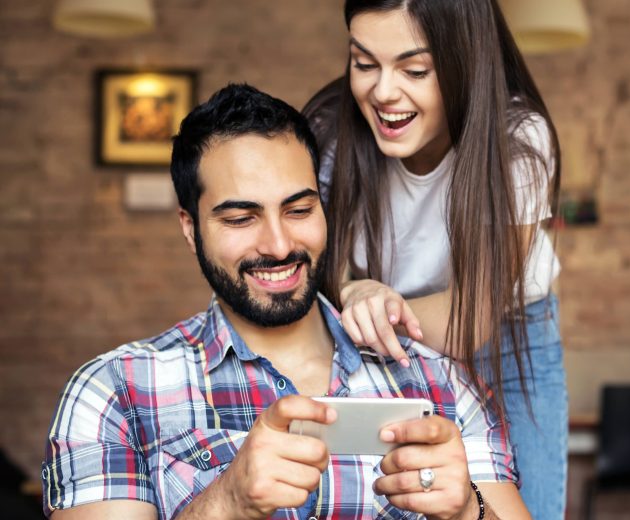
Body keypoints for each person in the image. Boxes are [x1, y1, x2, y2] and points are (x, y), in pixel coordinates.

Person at [41, 84, 529, 520]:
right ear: (190, 228)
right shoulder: (115, 393)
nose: (278, 245)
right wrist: (227, 503)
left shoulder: (439, 381)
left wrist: (468, 510)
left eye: (299, 210)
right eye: (240, 219)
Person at [303, 1, 567, 517]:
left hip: (507, 337)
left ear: (465, 61)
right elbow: (317, 265)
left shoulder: (517, 141)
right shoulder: (330, 132)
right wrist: (353, 289)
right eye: (363, 63)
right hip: (376, 338)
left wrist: (365, 301)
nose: (381, 92)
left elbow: (471, 318)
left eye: (414, 69)